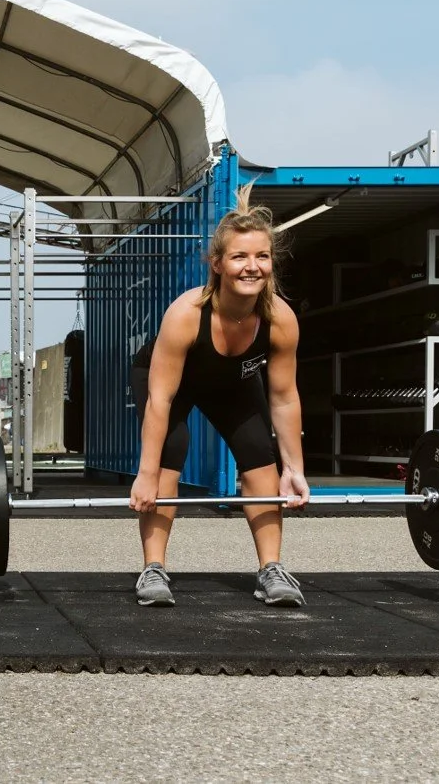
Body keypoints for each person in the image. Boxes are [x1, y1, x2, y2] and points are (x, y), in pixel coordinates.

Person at [128, 187, 309, 608]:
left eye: (262, 256)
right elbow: (160, 399)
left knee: (258, 449)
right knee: (172, 447)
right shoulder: (187, 314)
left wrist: (294, 469)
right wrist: (145, 473)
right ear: (217, 263)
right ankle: (153, 568)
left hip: (232, 380)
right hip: (170, 383)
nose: (252, 267)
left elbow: (284, 398)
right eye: (239, 257)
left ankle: (271, 569)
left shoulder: (280, 319)